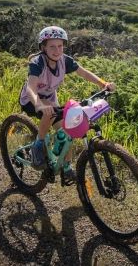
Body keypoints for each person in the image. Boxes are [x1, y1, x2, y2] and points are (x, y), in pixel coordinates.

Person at [19, 25, 115, 183]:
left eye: (60, 46)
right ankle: (38, 144)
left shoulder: (64, 61)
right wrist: (39, 105)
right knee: (49, 112)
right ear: (43, 48)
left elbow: (84, 73)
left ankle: (66, 168)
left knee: (66, 130)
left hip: (50, 100)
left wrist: (103, 84)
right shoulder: (37, 63)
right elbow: (31, 87)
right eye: (52, 46)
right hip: (31, 100)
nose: (57, 50)